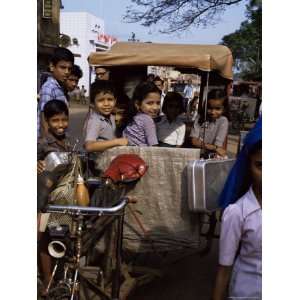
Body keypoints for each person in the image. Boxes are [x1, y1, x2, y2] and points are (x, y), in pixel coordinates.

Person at [212, 117, 262, 300]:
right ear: (248, 166)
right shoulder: (237, 213)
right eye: (261, 165)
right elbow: (224, 268)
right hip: (246, 293)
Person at [37, 100, 72, 295]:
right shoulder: (42, 143)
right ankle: (47, 279)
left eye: (64, 120)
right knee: (45, 237)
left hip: (63, 196)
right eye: (55, 120)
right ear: (47, 122)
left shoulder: (67, 141)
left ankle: (59, 275)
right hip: (44, 199)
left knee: (59, 234)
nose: (60, 124)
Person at [38, 47, 74, 137]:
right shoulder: (49, 88)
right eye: (63, 67)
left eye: (69, 69)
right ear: (52, 67)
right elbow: (44, 119)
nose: (66, 72)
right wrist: (47, 145)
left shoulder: (60, 87)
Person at [83, 80, 128, 153]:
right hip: (99, 161)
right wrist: (116, 142)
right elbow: (89, 146)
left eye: (110, 99)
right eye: (101, 100)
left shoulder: (110, 116)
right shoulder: (95, 120)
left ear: (115, 101)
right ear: (92, 103)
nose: (106, 104)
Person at [190, 89, 229, 157]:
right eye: (210, 108)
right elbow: (194, 141)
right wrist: (214, 147)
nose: (213, 112)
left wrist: (203, 143)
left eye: (217, 109)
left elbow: (218, 145)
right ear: (206, 106)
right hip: (197, 153)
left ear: (224, 109)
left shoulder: (223, 121)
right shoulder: (200, 117)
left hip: (212, 156)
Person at [122, 81, 161, 146]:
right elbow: (154, 147)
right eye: (150, 103)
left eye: (158, 103)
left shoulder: (133, 117)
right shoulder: (147, 120)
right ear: (137, 104)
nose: (155, 107)